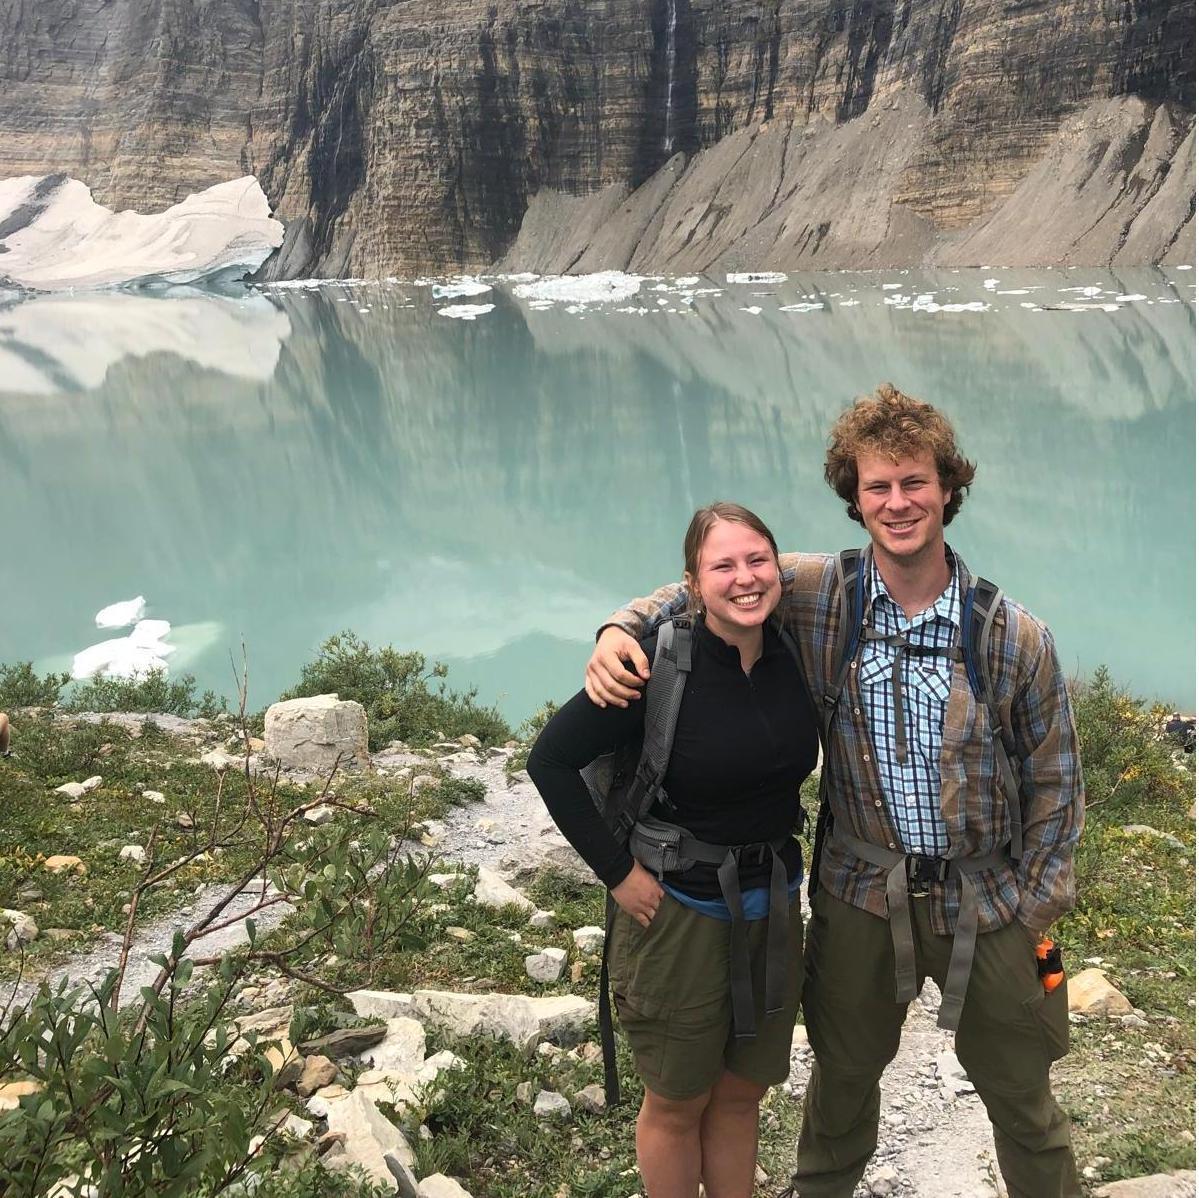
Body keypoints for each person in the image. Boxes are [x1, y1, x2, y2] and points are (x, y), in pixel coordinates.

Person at [585, 385, 1084, 1198]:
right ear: (854, 496)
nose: (897, 502)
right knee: (842, 1084)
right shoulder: (823, 593)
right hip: (860, 892)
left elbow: (1056, 777)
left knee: (1022, 1098)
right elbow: (711, 580)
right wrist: (620, 628)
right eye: (876, 485)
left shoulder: (1009, 634)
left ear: (947, 488)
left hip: (988, 897)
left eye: (914, 481)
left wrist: (1035, 905)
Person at [527, 502, 819, 1198]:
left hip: (773, 906)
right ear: (692, 584)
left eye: (757, 560)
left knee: (741, 1093)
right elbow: (550, 762)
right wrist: (617, 873)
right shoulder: (656, 667)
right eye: (723, 566)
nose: (744, 578)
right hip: (680, 910)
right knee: (678, 1102)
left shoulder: (792, 650)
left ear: (777, 569)